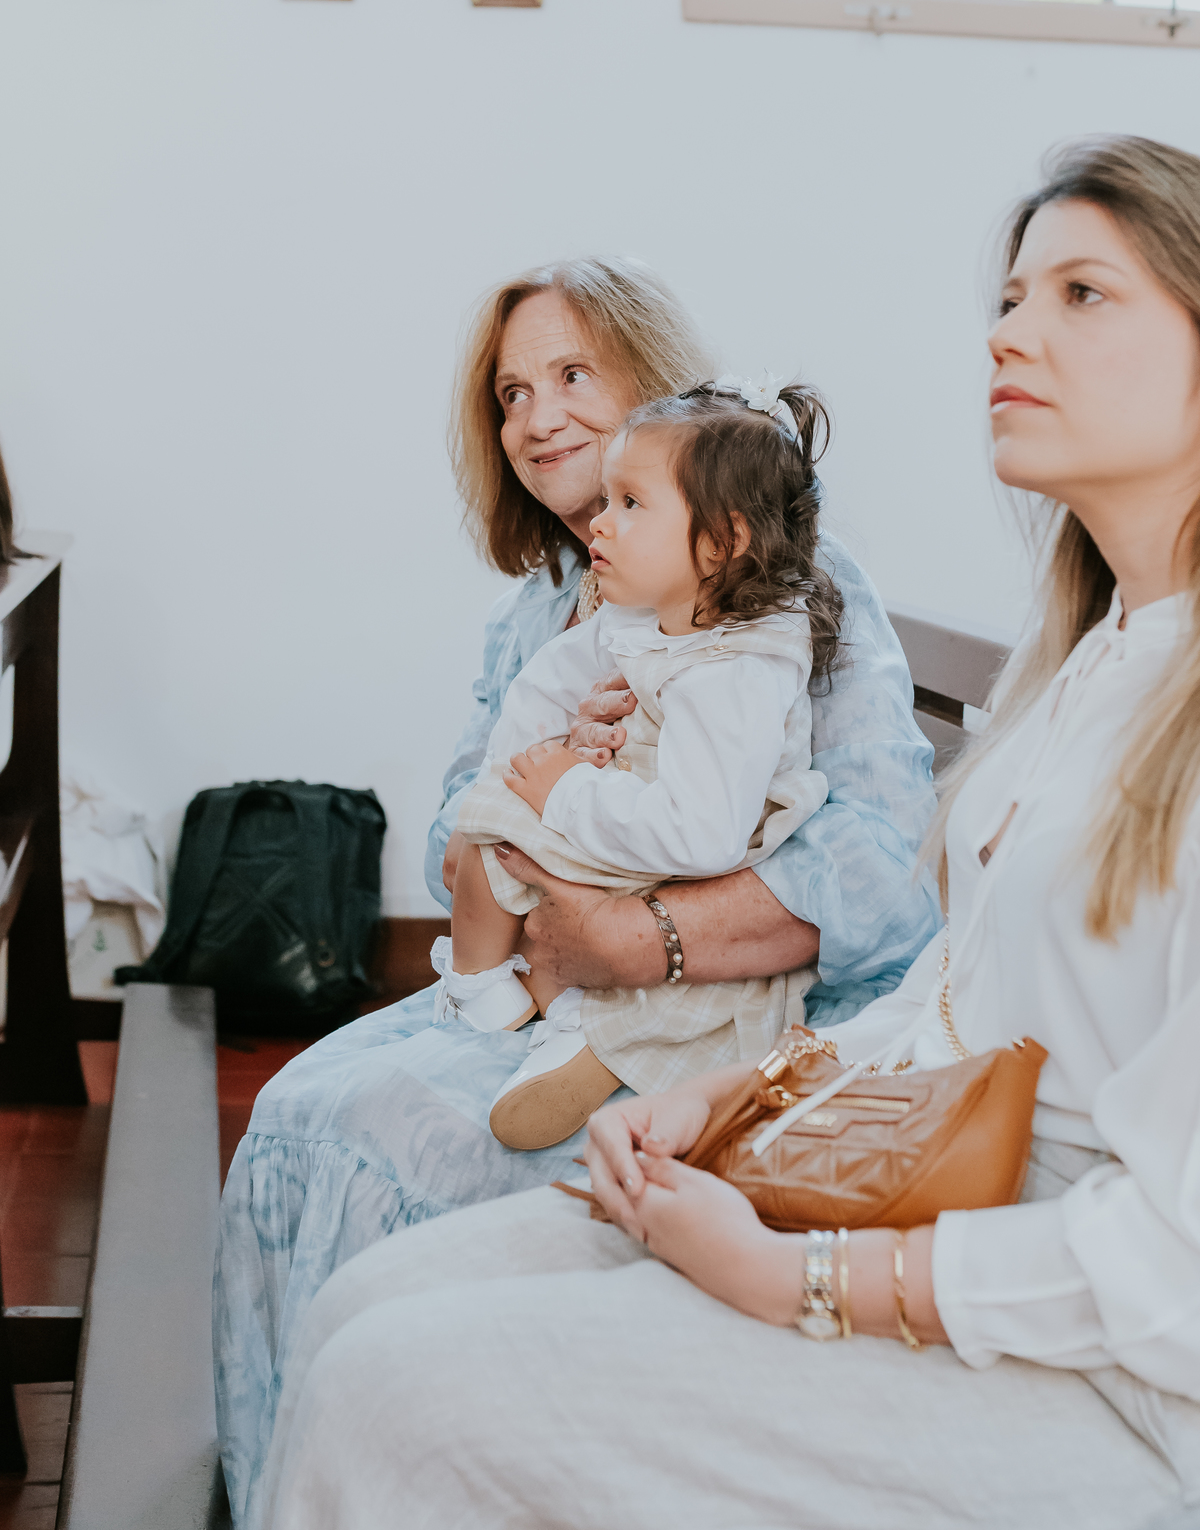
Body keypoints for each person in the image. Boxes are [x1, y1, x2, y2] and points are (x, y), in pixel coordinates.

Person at [257, 137, 1200, 1529]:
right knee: (364, 1312)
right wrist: (727, 1103)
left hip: (1112, 1362)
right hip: (952, 1199)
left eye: (1082, 294)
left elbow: (1173, 1265)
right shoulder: (1089, 665)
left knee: (396, 1394)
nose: (1009, 330)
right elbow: (957, 1010)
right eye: (1010, 296)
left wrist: (797, 1278)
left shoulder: (782, 617)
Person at [216, 257, 941, 1527]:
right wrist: (555, 776)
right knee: (291, 1109)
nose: (536, 416)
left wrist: (628, 929)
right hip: (555, 970)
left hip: (749, 1021)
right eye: (509, 394)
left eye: (570, 376)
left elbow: (877, 868)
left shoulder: (791, 594)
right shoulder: (555, 604)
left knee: (383, 1148)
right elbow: (461, 814)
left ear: (653, 391)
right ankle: (288, 1487)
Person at [443, 377, 842, 1148]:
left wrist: (558, 793)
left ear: (723, 543)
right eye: (609, 500)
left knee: (504, 821)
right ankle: (536, 1003)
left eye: (630, 504)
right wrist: (530, 763)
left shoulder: (736, 670)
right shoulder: (646, 615)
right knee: (496, 809)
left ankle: (525, 1007)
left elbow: (702, 838)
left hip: (696, 862)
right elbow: (545, 683)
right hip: (645, 830)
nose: (602, 521)